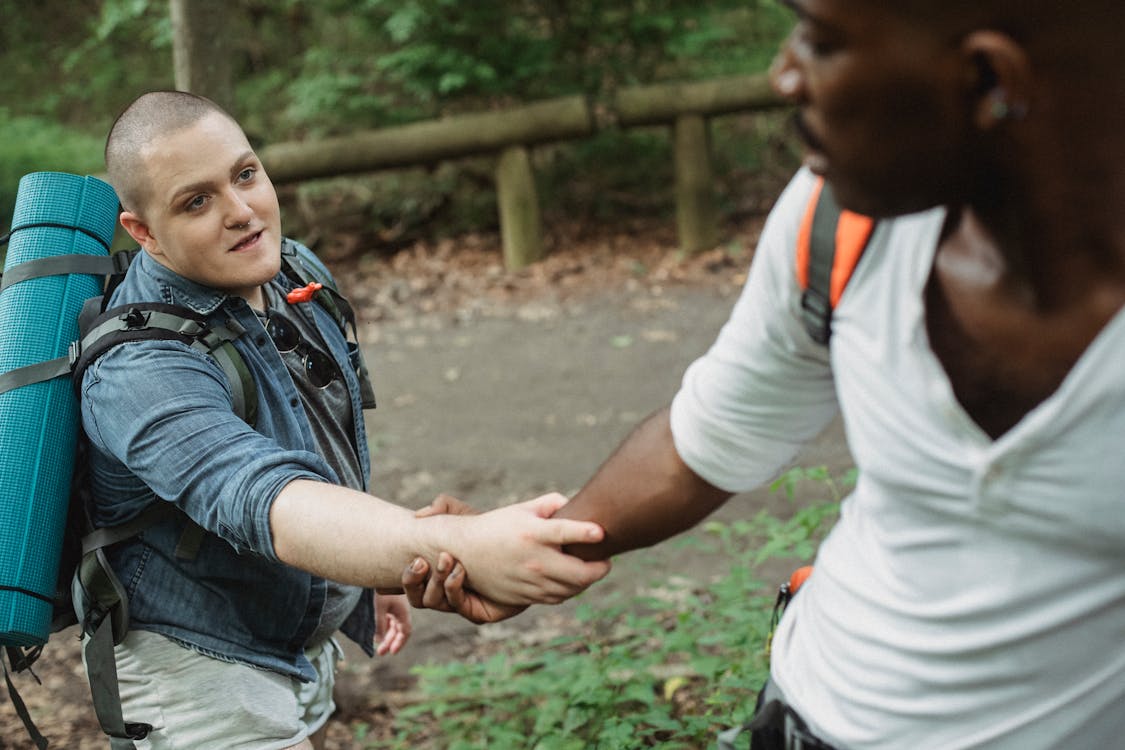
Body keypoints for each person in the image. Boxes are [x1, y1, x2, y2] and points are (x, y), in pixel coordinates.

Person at [403, 1, 1125, 747]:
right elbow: (705, 440)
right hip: (802, 713)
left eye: (819, 41)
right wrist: (519, 548)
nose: (782, 75)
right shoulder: (838, 225)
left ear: (985, 80)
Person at [82, 90, 611, 749]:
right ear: (143, 232)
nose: (241, 212)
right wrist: (453, 544)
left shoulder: (294, 272)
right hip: (198, 672)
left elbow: (322, 440)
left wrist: (370, 569)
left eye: (245, 175)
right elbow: (263, 497)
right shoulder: (136, 369)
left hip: (288, 633)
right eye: (197, 202)